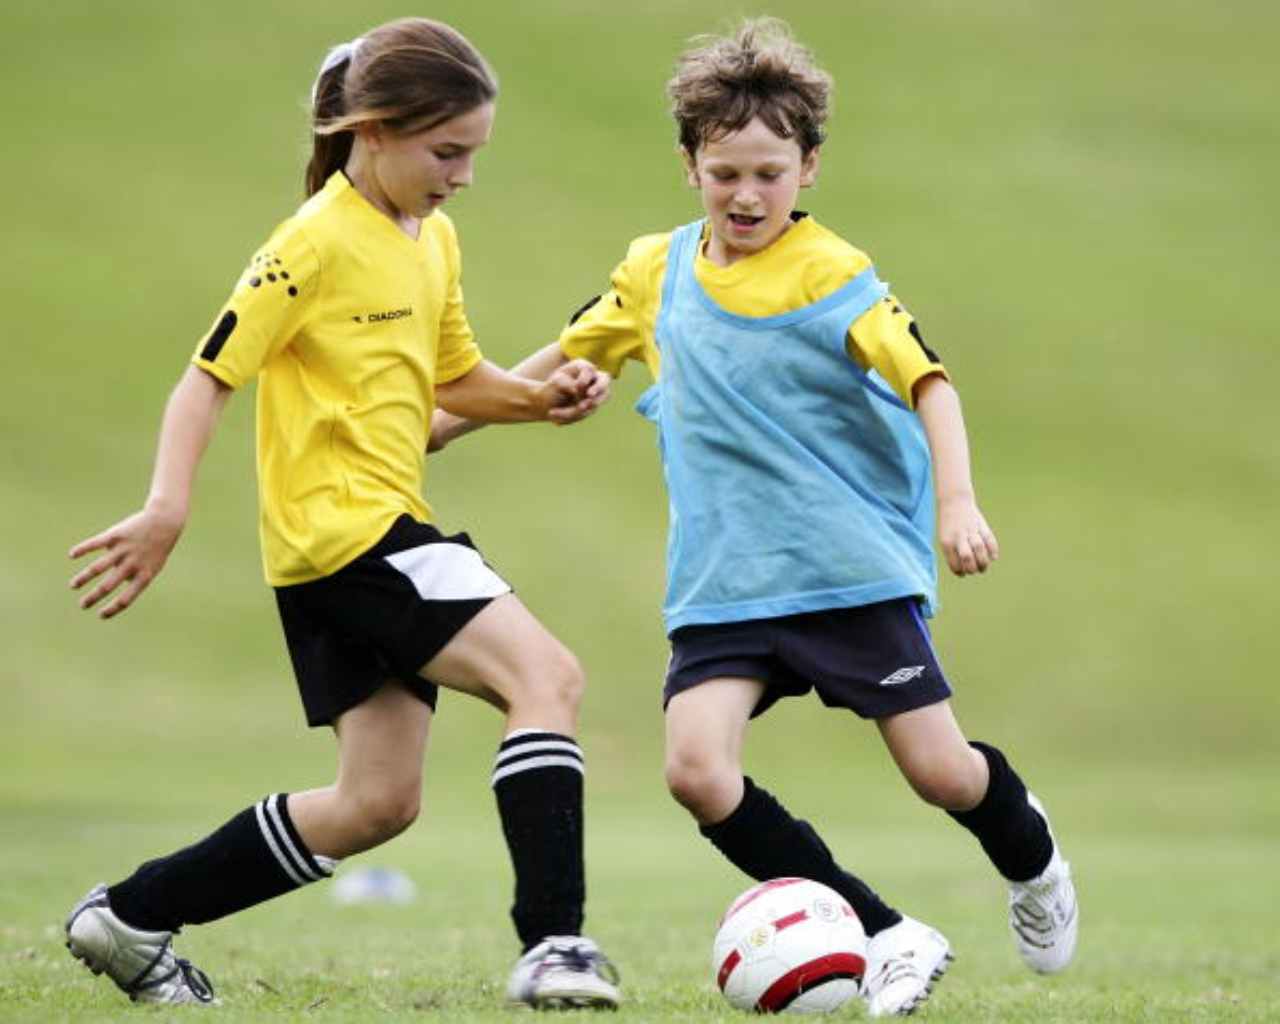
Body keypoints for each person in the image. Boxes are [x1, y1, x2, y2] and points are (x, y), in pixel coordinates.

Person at [432, 17, 1077, 1018]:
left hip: (847, 570)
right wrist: (437, 425)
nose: (744, 194)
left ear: (807, 168)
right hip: (723, 583)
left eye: (768, 173)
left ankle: (1029, 857)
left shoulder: (833, 273)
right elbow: (556, 362)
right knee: (694, 771)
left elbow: (930, 385)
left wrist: (956, 502)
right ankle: (886, 931)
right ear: (689, 163)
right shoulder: (653, 271)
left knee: (940, 772)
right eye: (724, 170)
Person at [64, 17, 621, 1010]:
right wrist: (164, 507)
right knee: (548, 675)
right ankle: (555, 945)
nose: (462, 176)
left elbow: (456, 377)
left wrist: (540, 398)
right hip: (348, 537)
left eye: (473, 154)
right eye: (446, 152)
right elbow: (206, 378)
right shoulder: (307, 245)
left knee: (375, 804)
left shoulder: (431, 238)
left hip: (358, 542)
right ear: (372, 129)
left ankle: (132, 916)